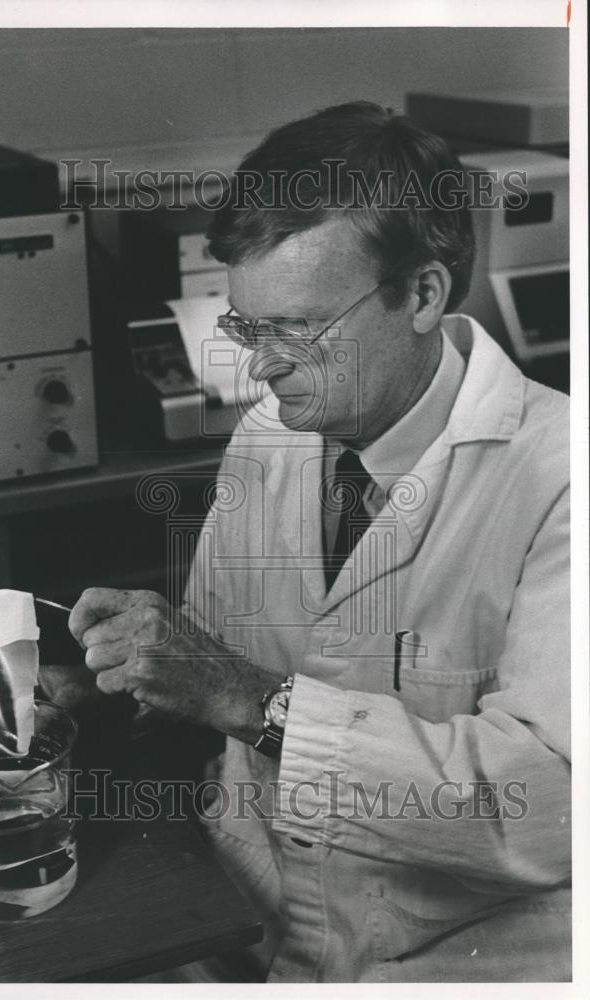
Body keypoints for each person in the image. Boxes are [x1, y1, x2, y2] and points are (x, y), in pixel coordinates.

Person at [67, 102, 571, 982]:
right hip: (250, 915)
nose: (260, 366)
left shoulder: (562, 479)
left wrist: (247, 700)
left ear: (422, 293)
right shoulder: (272, 433)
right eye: (247, 327)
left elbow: (544, 811)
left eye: (295, 329)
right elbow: (214, 655)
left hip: (453, 956)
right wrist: (105, 686)